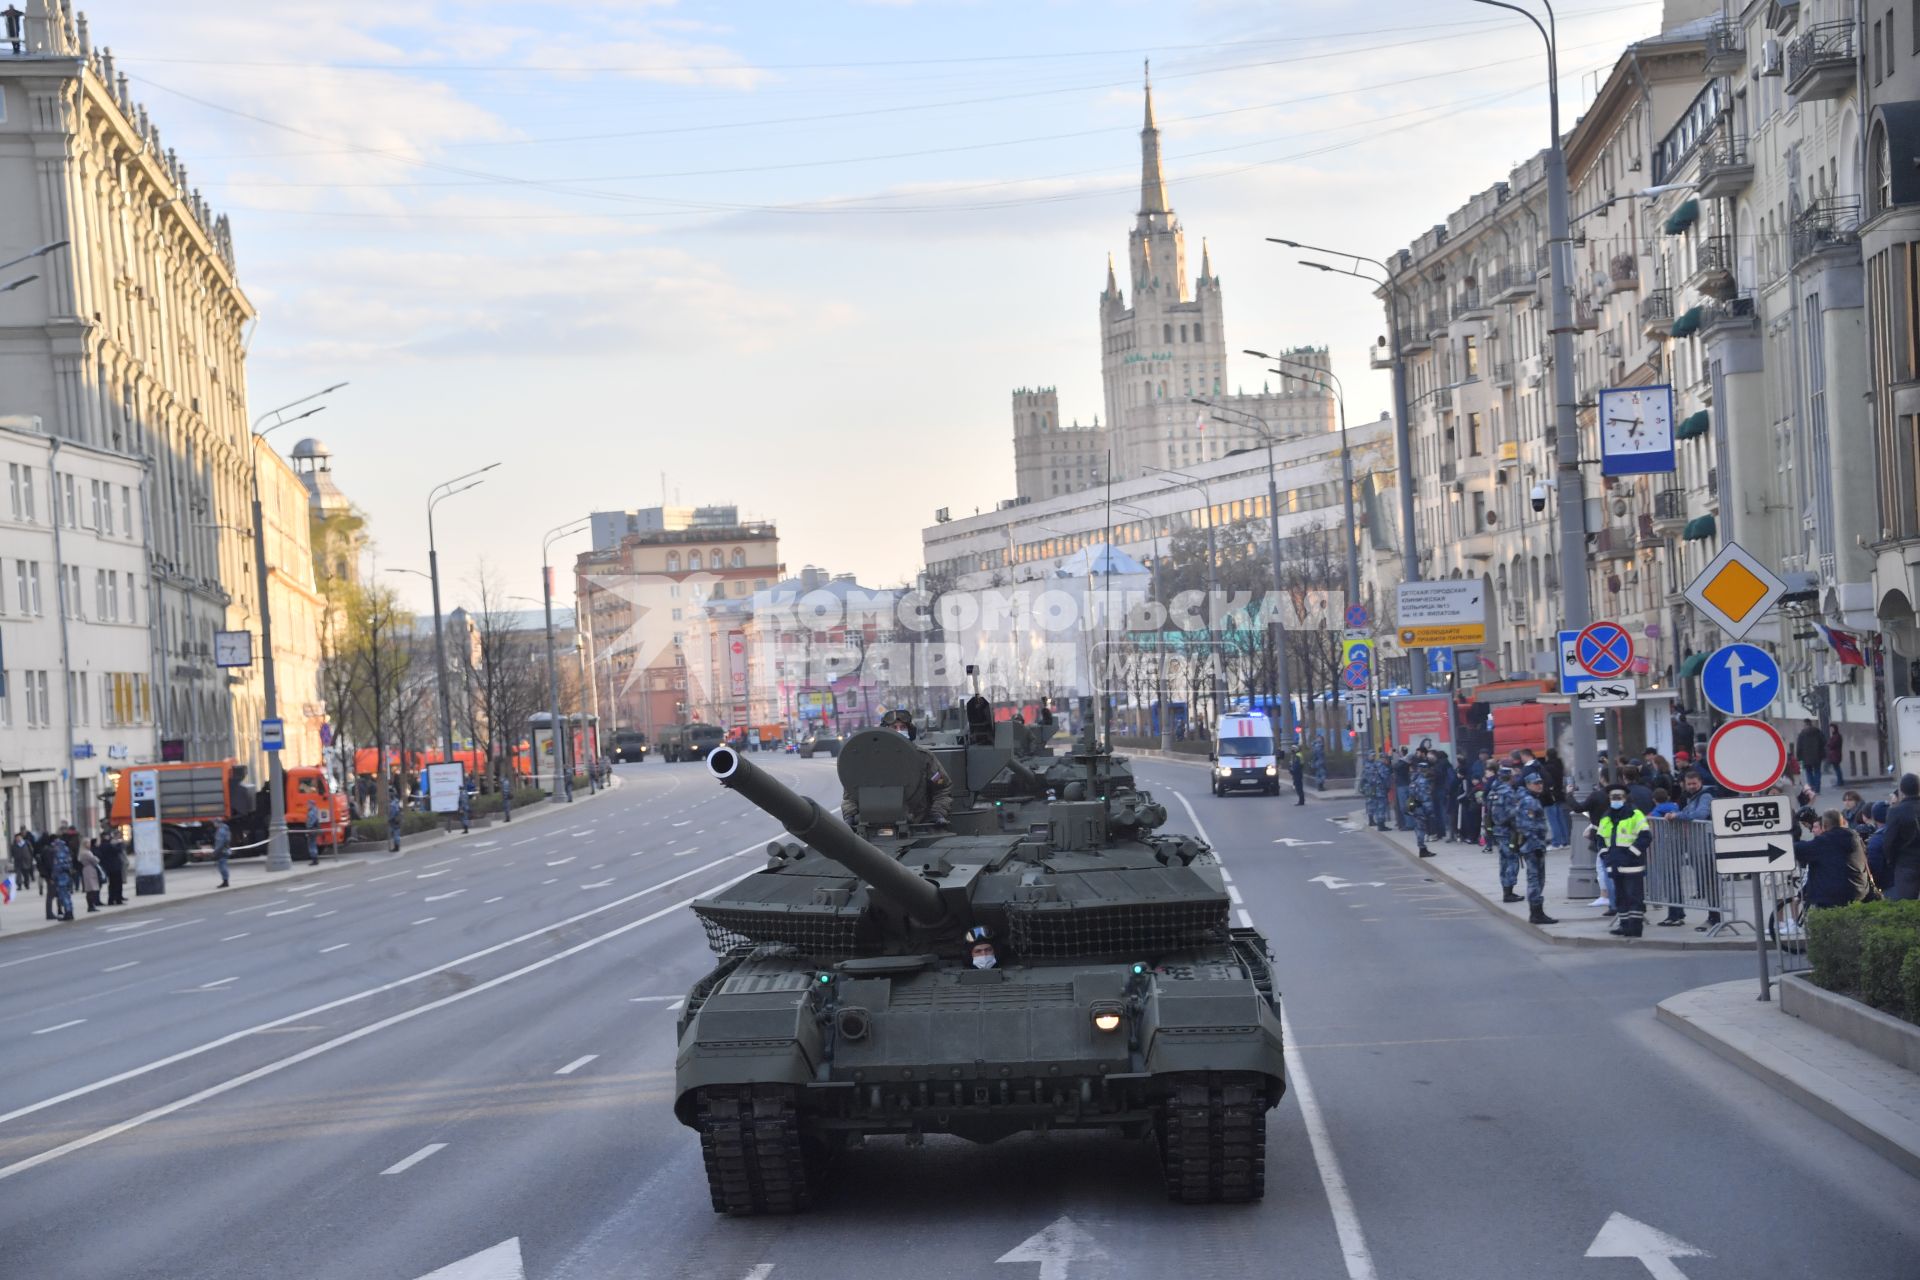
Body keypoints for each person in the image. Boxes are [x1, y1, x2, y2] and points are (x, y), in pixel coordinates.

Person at [841, 711, 952, 826]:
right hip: (872, 827)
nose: (899, 731)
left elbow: (942, 788)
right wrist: (850, 816)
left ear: (910, 730)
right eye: (894, 727)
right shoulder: (867, 760)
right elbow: (850, 796)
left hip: (916, 825)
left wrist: (938, 813)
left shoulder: (923, 758)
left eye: (903, 727)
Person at [1595, 785, 1652, 936]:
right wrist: (1605, 855)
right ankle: (1624, 925)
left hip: (1632, 865)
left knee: (1634, 897)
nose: (1615, 800)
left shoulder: (1635, 814)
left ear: (1625, 798)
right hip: (1614, 864)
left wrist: (1631, 854)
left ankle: (1635, 928)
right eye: (1612, 797)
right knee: (1620, 897)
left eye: (1618, 797)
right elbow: (1600, 839)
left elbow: (1645, 836)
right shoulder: (1606, 816)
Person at [1795, 810, 1876, 909]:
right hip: (1859, 892)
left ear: (1824, 826)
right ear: (1842, 822)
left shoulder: (1824, 841)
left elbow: (1800, 849)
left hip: (1832, 898)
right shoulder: (1855, 837)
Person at [1512, 772, 1559, 924]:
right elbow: (1527, 826)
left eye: (1540, 782)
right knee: (1535, 879)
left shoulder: (1531, 798)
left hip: (1534, 844)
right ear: (1528, 784)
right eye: (1535, 783)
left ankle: (1537, 911)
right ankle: (1536, 912)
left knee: (1538, 879)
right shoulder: (1529, 801)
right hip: (1533, 846)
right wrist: (1537, 845)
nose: (1539, 785)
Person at [1881, 773, 1920, 900]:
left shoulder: (1896, 812)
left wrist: (1891, 861)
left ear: (1901, 790)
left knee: (1907, 905)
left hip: (1906, 863)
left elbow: (1889, 841)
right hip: (1906, 863)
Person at [1408, 759, 1435, 857]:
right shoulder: (1423, 781)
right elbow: (1425, 798)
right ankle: (1422, 849)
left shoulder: (1413, 779)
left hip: (1414, 806)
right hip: (1421, 808)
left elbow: (1411, 794)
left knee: (1418, 828)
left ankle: (1422, 848)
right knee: (1421, 829)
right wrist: (1430, 811)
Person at [1360, 751, 1391, 830]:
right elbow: (1385, 778)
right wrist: (1387, 787)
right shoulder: (1382, 766)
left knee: (1376, 806)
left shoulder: (1374, 765)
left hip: (1374, 789)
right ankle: (1381, 825)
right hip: (1380, 790)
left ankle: (1379, 823)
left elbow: (1364, 777)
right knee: (1381, 807)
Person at [1795, 719, 1827, 794]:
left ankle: (1812, 787)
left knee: (1808, 772)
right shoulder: (1818, 732)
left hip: (1806, 757)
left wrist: (1798, 757)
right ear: (1811, 724)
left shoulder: (1802, 734)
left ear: (1805, 725)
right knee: (1817, 772)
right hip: (1817, 756)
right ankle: (1817, 789)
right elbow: (1824, 742)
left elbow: (1799, 746)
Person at [48, 834, 73, 922]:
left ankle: (68, 912)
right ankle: (70, 911)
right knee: (67, 895)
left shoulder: (59, 852)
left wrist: (53, 876)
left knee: (63, 895)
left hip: (61, 876)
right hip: (67, 875)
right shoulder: (66, 849)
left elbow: (57, 866)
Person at [98, 826, 125, 905]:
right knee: (117, 884)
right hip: (114, 867)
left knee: (112, 884)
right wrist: (119, 843)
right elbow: (118, 850)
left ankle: (112, 899)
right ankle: (117, 899)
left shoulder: (103, 845)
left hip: (110, 867)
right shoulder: (107, 845)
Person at [77, 838, 103, 913]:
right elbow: (95, 860)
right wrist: (96, 858)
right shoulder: (86, 853)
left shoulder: (85, 852)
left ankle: (92, 905)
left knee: (91, 889)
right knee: (90, 889)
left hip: (89, 869)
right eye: (88, 843)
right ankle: (91, 906)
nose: (89, 845)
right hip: (89, 870)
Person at [1825, 724, 1846, 789]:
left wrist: (1829, 744)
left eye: (1832, 728)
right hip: (1834, 754)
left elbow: (1832, 745)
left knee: (1837, 768)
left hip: (1835, 754)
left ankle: (1840, 781)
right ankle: (1840, 781)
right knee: (1836, 768)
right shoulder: (1835, 736)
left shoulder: (1837, 736)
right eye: (1830, 729)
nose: (1831, 730)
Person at [213, 818, 232, 888]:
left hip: (221, 851)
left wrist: (216, 852)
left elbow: (220, 843)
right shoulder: (225, 829)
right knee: (223, 865)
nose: (214, 824)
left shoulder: (220, 831)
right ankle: (225, 881)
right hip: (225, 850)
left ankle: (225, 881)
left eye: (214, 823)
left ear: (218, 823)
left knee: (222, 866)